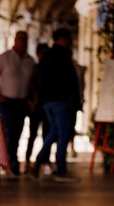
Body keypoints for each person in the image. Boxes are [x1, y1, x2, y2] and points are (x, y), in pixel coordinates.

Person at [31, 28, 81, 183]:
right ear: (63, 38)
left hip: (47, 101)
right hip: (60, 100)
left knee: (53, 131)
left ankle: (39, 161)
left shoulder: (47, 56)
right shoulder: (63, 56)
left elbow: (40, 78)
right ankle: (61, 168)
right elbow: (70, 80)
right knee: (64, 133)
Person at [0, 31, 37, 175]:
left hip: (22, 102)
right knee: (9, 131)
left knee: (18, 131)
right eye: (21, 39)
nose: (23, 42)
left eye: (25, 39)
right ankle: (9, 161)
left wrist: (34, 99)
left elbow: (33, 82)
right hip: (6, 101)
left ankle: (13, 159)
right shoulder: (4, 58)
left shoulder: (30, 60)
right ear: (15, 40)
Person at [24, 43, 50, 173]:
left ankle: (44, 160)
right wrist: (31, 101)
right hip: (36, 107)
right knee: (32, 134)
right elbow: (30, 86)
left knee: (46, 134)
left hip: (46, 107)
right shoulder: (34, 69)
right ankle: (28, 159)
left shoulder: (50, 70)